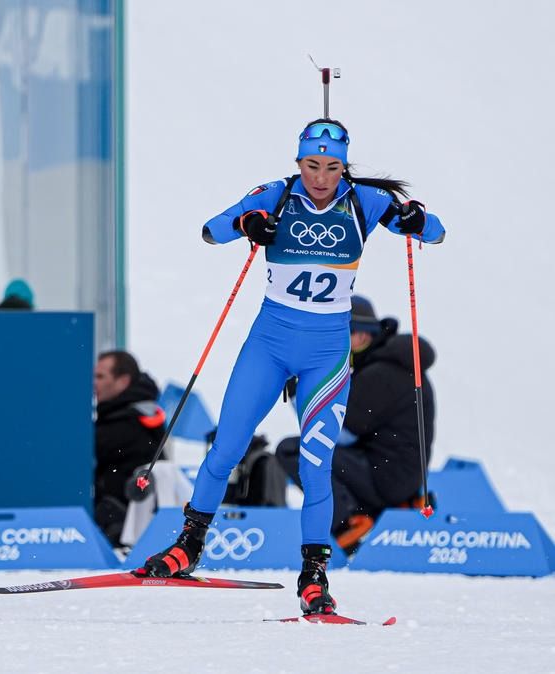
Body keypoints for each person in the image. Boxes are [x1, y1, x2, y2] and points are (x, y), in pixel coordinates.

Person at [133, 118, 445, 617]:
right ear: (298, 162)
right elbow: (211, 231)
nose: (321, 177)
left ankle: (314, 577)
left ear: (344, 166)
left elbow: (434, 230)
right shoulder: (276, 195)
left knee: (316, 466)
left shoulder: (364, 202)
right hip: (269, 347)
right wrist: (248, 224)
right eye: (311, 165)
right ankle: (188, 545)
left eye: (332, 167)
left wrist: (415, 219)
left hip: (326, 355)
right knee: (226, 448)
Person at [275, 295, 436, 553]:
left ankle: (348, 522)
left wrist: (298, 393)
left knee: (294, 450)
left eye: (340, 335)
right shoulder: (393, 366)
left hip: (386, 478)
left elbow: (337, 433)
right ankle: (381, 508)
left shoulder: (381, 374)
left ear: (362, 335)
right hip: (400, 476)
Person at [93, 350, 167, 545]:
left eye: (100, 377)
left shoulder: (124, 424)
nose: (94, 383)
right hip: (133, 525)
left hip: (121, 531)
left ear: (123, 381)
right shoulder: (144, 414)